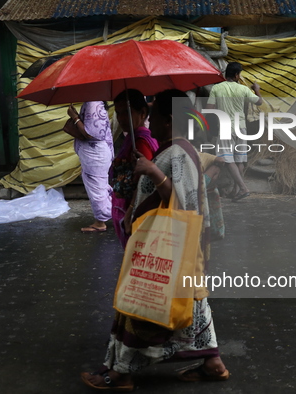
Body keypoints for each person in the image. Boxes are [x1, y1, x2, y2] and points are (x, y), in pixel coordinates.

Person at [81, 89, 229, 391]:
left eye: (156, 114)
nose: (152, 119)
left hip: (164, 243)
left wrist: (153, 172)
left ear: (169, 119)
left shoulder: (177, 152)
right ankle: (212, 362)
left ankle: (122, 372)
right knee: (192, 300)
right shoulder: (172, 149)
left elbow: (185, 203)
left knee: (141, 304)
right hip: (173, 245)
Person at [207, 61, 263, 202]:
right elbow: (259, 102)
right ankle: (236, 191)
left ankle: (243, 188)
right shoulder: (243, 90)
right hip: (241, 127)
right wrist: (257, 89)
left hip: (226, 127)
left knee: (226, 158)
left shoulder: (217, 88)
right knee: (239, 159)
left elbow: (210, 108)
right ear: (237, 75)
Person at [110, 89, 159, 248]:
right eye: (118, 113)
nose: (121, 118)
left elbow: (145, 183)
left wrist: (131, 211)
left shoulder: (140, 142)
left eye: (127, 112)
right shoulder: (131, 138)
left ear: (143, 113)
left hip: (136, 211)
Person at [65, 101, 114, 233]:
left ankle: (101, 222)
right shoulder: (95, 103)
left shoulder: (93, 104)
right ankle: (114, 213)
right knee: (100, 186)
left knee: (97, 189)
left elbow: (90, 133)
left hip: (95, 155)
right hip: (97, 154)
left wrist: (74, 118)